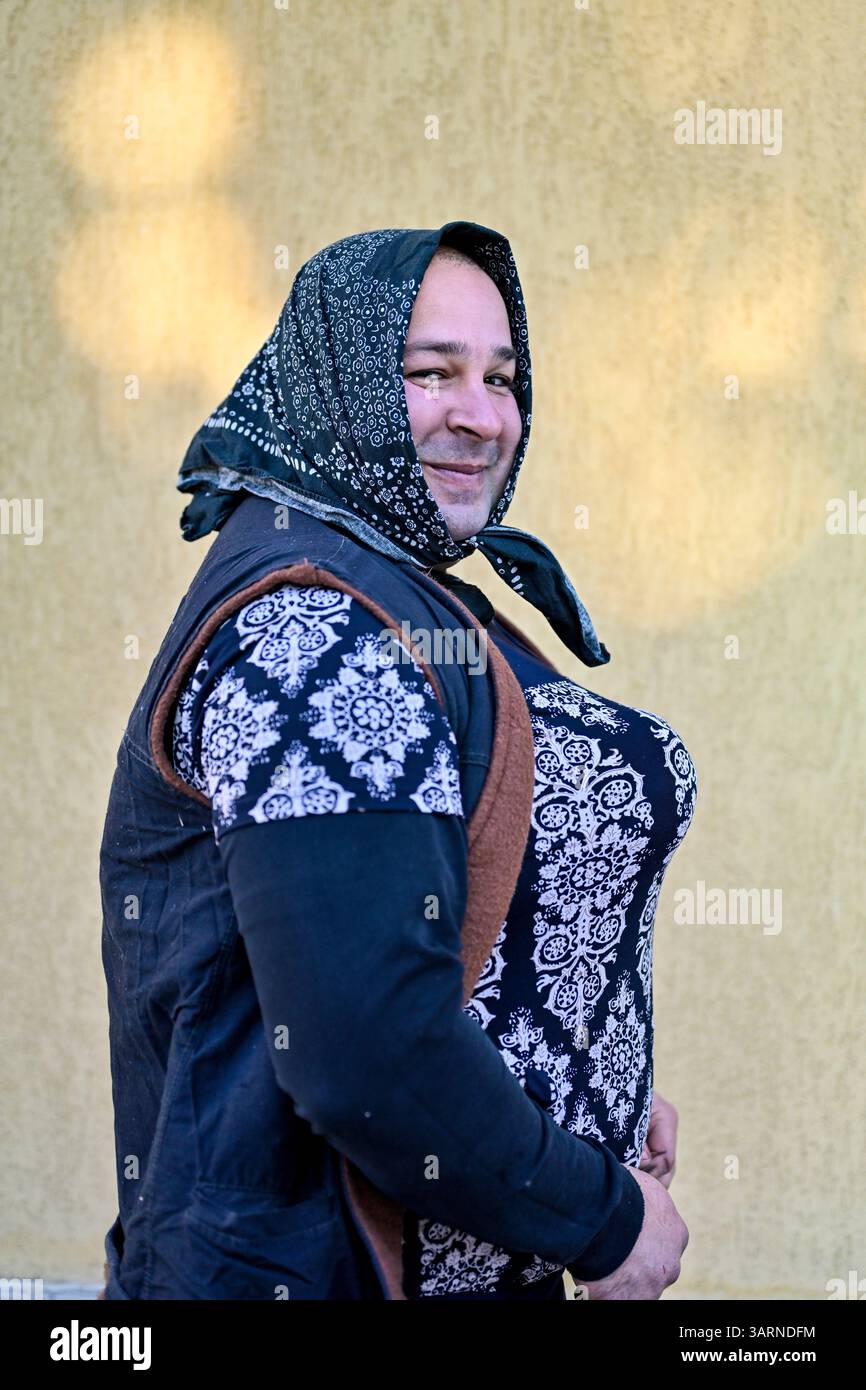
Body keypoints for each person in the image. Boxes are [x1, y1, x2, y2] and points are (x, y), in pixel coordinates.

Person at [98, 220, 694, 1301]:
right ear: (340, 381)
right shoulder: (317, 633)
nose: (481, 415)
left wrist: (578, 1083)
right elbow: (369, 1051)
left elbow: (449, 893)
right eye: (430, 373)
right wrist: (600, 1221)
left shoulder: (398, 586)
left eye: (502, 377)